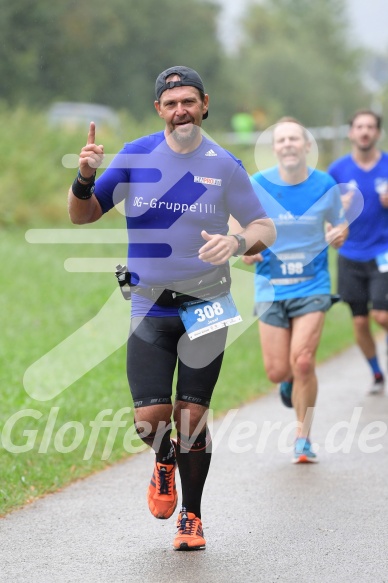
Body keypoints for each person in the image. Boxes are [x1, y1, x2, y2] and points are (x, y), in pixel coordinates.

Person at [68, 66, 276, 550]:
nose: (180, 109)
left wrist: (238, 239)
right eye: (170, 102)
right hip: (149, 306)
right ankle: (164, 461)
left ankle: (192, 516)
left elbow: (264, 226)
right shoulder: (137, 156)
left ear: (205, 103)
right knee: (151, 420)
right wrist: (84, 177)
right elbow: (82, 216)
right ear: (158, 109)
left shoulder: (224, 164)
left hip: (206, 305)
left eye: (188, 100)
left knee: (192, 417)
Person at [232, 117, 348, 463]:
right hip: (271, 287)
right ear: (274, 148)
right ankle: (289, 384)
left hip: (313, 285)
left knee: (304, 360)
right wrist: (246, 250)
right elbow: (238, 230)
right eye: (281, 140)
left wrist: (340, 234)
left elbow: (338, 225)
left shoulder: (325, 184)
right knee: (278, 371)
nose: (287, 145)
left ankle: (303, 437)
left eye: (294, 139)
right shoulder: (257, 184)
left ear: (307, 146)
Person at [328, 109, 388, 395]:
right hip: (350, 255)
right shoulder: (338, 170)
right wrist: (338, 208)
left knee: (382, 315)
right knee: (361, 320)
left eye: (370, 127)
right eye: (359, 126)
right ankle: (377, 373)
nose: (364, 132)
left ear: (377, 133)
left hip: (383, 252)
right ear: (352, 133)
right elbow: (323, 213)